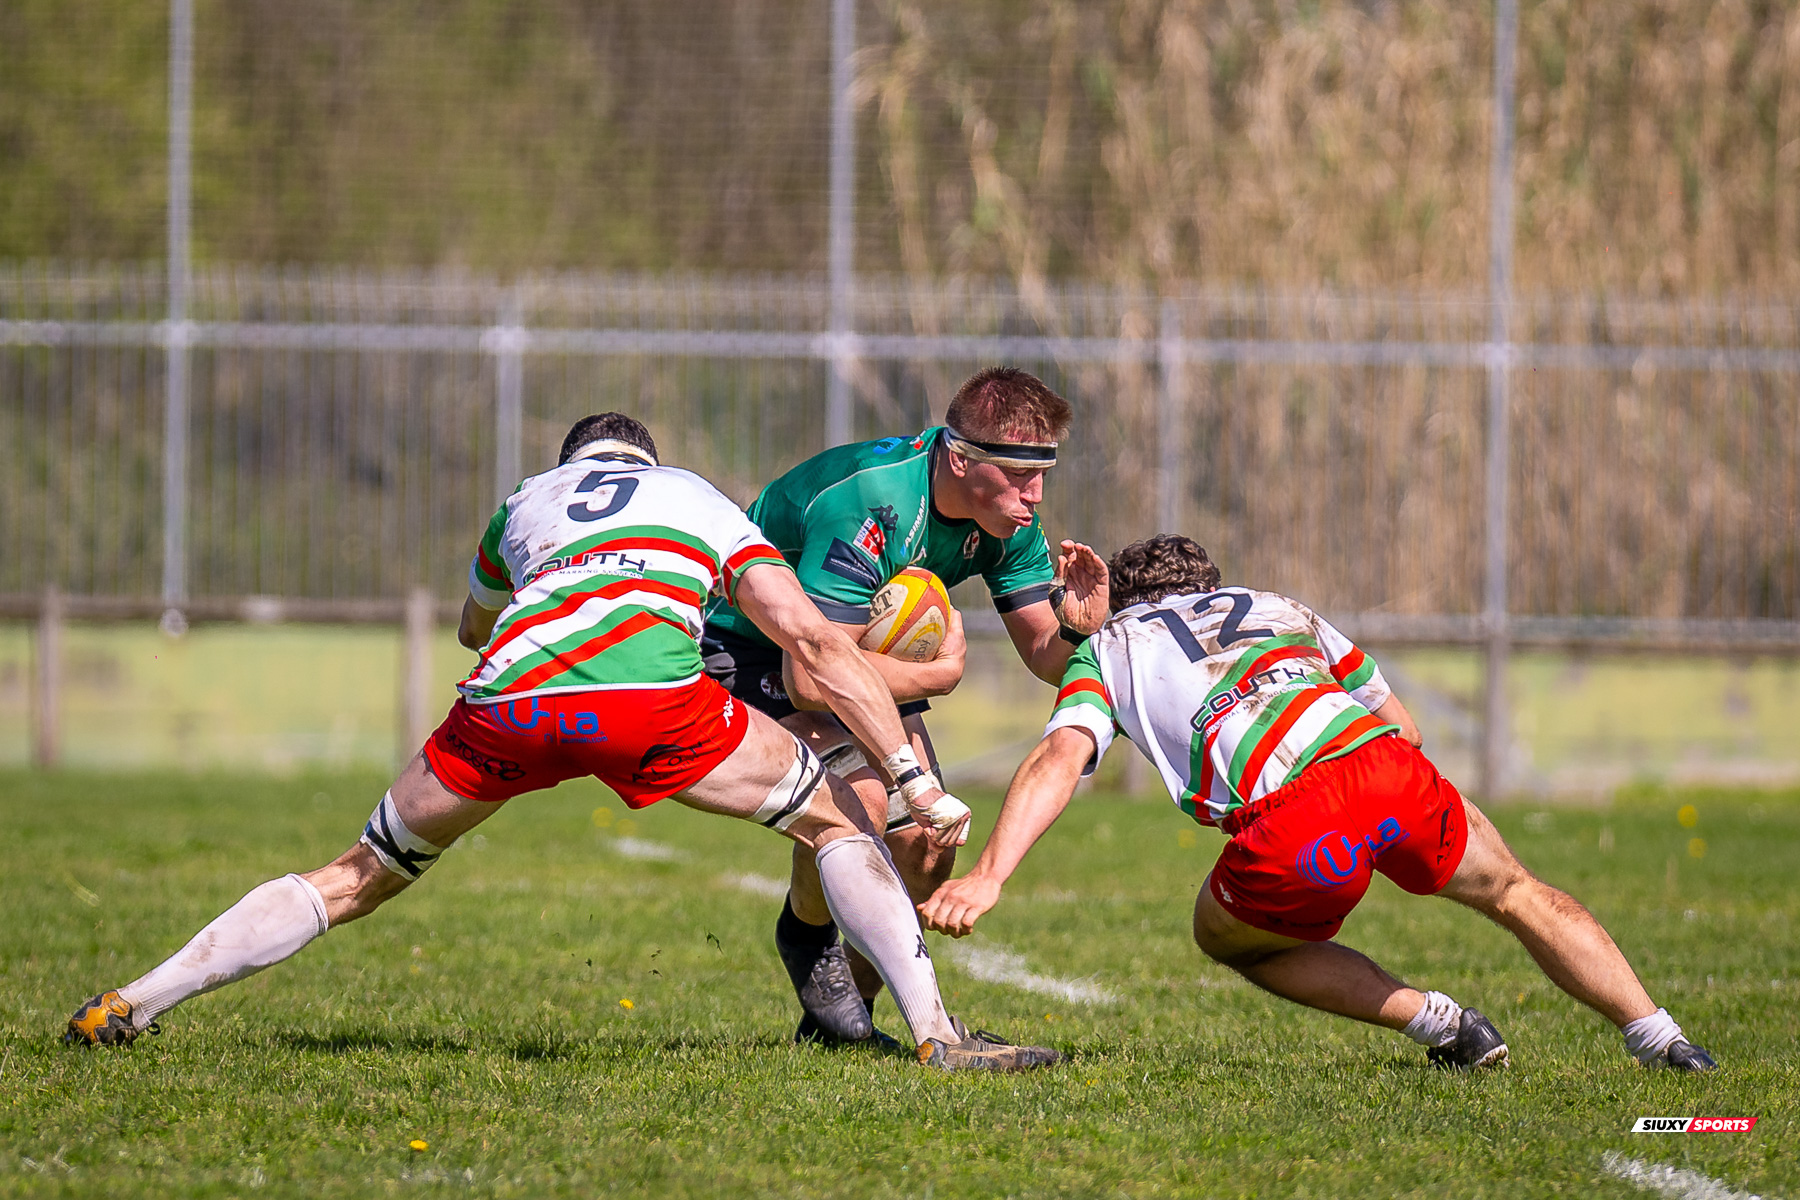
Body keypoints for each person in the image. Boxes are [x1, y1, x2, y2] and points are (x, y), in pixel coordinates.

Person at [65, 413, 1059, 1072]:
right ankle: (936, 1034)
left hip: (507, 697)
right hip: (648, 700)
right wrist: (911, 782)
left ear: (575, 458)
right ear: (646, 456)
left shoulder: (525, 503)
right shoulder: (694, 497)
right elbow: (805, 639)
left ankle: (139, 999)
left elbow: (473, 622)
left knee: (355, 874)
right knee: (834, 816)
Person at [919, 534, 1716, 1072]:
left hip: (1297, 818)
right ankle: (1663, 1039)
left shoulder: (1111, 647)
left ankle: (1443, 1024)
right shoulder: (1276, 607)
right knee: (1516, 891)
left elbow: (1062, 755)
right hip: (1389, 768)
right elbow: (1397, 722)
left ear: (1118, 601)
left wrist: (989, 873)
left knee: (1226, 936)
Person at [700, 367, 1110, 1046]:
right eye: (1017, 474)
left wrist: (1077, 627)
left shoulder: (1009, 523)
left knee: (924, 845)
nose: (1035, 493)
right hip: (749, 654)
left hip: (847, 656)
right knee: (856, 809)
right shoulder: (870, 502)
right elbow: (808, 678)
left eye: (1043, 473)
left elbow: (1045, 655)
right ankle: (807, 935)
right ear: (960, 459)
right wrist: (937, 676)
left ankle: (836, 1024)